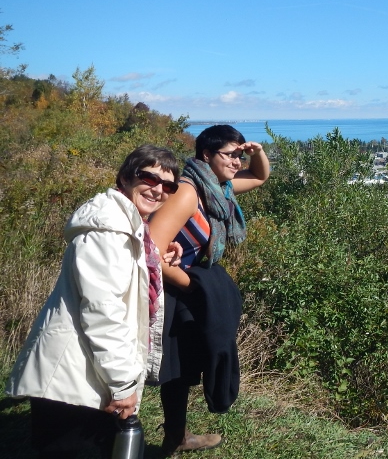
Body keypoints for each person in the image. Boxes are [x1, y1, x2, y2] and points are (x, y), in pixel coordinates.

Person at [5, 145, 183, 459]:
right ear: (127, 177)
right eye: (148, 177)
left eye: (167, 185)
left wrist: (154, 256)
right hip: (73, 380)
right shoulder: (107, 231)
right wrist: (123, 384)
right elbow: (103, 311)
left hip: (87, 370)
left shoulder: (127, 227)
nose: (157, 190)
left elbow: (123, 280)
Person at [148, 125, 269, 455]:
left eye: (238, 155)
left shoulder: (217, 187)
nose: (235, 161)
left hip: (184, 282)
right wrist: (195, 286)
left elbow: (259, 177)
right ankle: (120, 430)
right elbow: (152, 254)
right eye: (230, 155)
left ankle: (176, 435)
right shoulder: (188, 192)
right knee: (172, 367)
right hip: (169, 286)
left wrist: (256, 153)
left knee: (184, 364)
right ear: (206, 155)